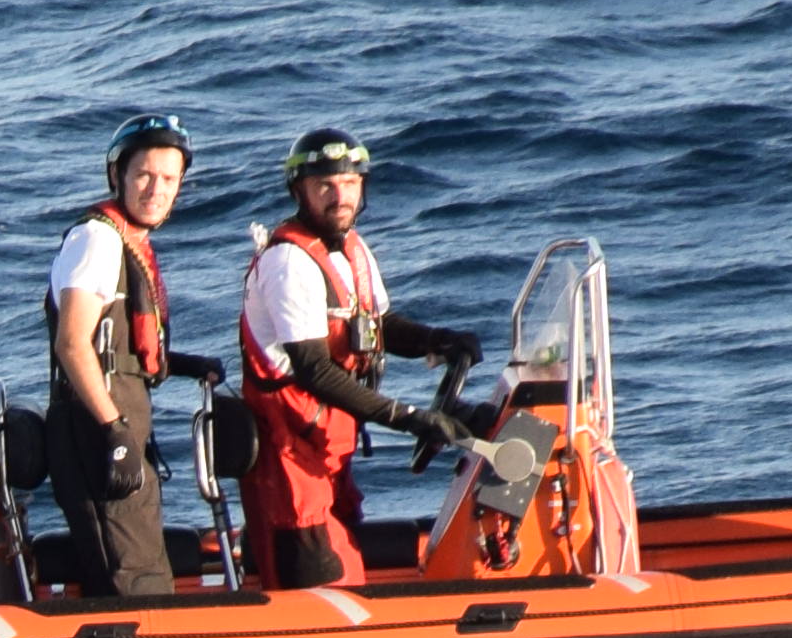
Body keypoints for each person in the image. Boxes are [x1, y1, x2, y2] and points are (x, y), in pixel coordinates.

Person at [232, 125, 477, 592]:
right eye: (323, 185)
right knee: (315, 586)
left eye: (348, 183)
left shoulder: (352, 249)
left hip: (329, 450)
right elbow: (314, 369)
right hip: (290, 459)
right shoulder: (289, 263)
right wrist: (407, 417)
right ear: (299, 190)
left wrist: (439, 340)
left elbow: (376, 326)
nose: (338, 195)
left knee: (347, 566)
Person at [42, 115, 194, 601]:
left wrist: (190, 365)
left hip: (119, 420)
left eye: (169, 179)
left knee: (141, 562)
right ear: (118, 177)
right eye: (144, 175)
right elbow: (73, 343)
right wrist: (115, 433)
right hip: (96, 426)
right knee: (134, 578)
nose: (157, 189)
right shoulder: (98, 239)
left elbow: (123, 347)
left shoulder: (126, 241)